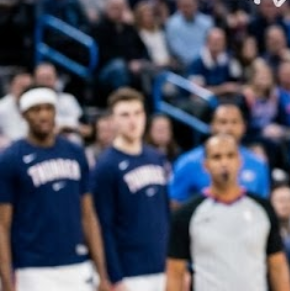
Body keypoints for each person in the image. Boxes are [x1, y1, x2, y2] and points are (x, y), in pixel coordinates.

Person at [0, 86, 110, 290]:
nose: (43, 115)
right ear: (24, 115)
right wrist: (7, 281)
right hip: (32, 269)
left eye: (48, 108)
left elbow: (88, 215)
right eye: (36, 110)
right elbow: (2, 225)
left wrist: (102, 273)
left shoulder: (75, 152)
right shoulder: (10, 159)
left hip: (77, 264)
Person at [166, 134, 290, 291]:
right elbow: (175, 273)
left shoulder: (263, 209)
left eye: (230, 156)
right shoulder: (186, 214)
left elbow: (277, 266)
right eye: (217, 157)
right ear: (206, 165)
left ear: (240, 161)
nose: (224, 163)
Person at [93, 88, 171, 291]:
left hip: (163, 267)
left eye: (138, 113)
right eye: (125, 115)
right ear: (112, 120)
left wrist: (177, 263)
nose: (133, 121)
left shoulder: (156, 158)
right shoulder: (105, 167)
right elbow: (104, 226)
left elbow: (166, 214)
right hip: (130, 273)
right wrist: (115, 277)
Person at [168, 102, 270, 205]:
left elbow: (262, 204)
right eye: (223, 122)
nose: (229, 128)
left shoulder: (258, 164)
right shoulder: (188, 162)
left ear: (243, 127)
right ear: (212, 126)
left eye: (234, 122)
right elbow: (175, 203)